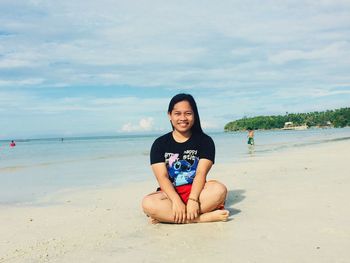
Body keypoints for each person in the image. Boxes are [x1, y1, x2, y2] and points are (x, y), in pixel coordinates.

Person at [142, 93, 229, 224]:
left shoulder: (205, 141)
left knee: (219, 190)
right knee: (148, 203)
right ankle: (201, 218)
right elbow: (162, 178)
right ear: (169, 115)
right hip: (170, 193)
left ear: (194, 115)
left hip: (197, 191)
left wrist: (193, 199)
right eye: (177, 113)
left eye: (188, 113)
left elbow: (200, 173)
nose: (183, 118)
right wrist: (176, 201)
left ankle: (169, 217)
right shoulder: (160, 143)